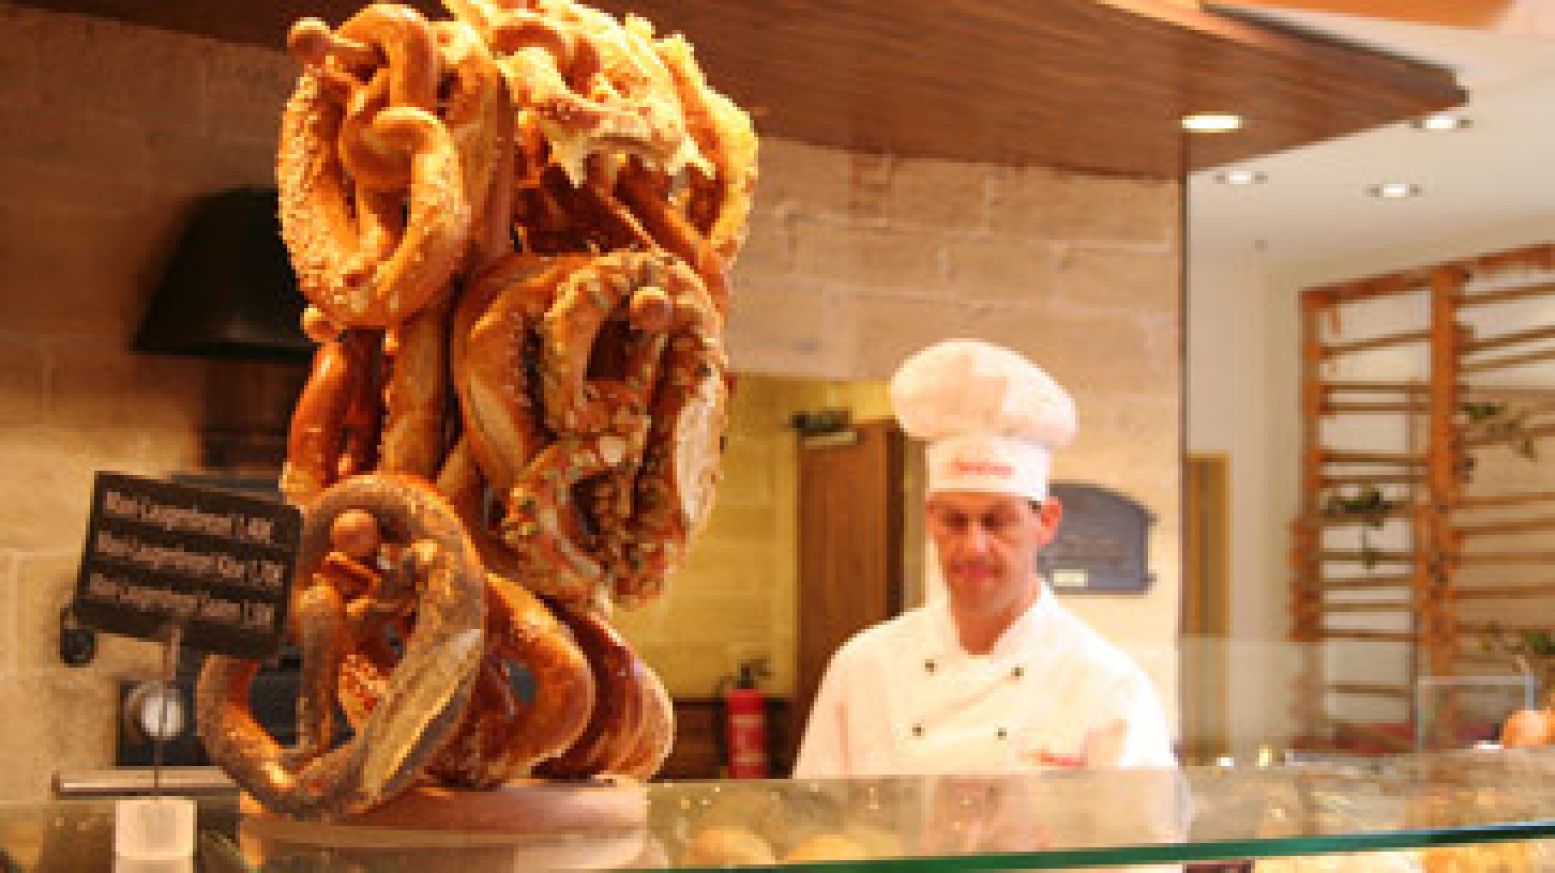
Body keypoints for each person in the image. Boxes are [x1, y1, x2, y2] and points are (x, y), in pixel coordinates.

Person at [794, 338, 1177, 779]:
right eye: (954, 521)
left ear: (1046, 522)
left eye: (997, 522)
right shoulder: (863, 668)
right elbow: (816, 831)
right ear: (928, 519)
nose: (973, 546)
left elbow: (1147, 842)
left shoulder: (1105, 684)